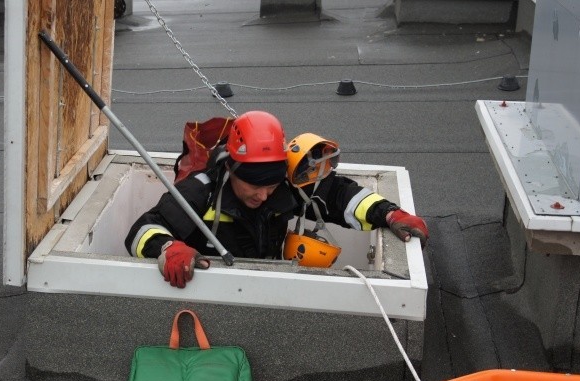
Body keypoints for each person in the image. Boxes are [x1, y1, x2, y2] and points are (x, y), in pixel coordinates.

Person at [124, 110, 429, 288]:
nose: (264, 195)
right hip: (213, 295)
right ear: (231, 167)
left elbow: (338, 196)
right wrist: (167, 247)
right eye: (253, 185)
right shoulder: (200, 191)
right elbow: (143, 229)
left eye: (271, 185)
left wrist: (389, 214)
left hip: (270, 284)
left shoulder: (287, 185)